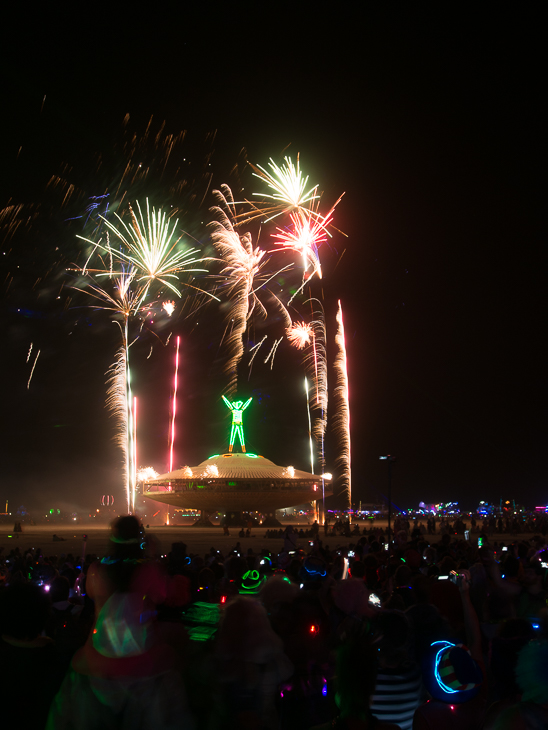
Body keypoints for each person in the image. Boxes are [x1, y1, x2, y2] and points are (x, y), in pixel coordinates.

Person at [46, 516, 194, 730]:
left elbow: (90, 595)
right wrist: (151, 557)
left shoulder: (97, 570)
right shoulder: (150, 570)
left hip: (98, 654)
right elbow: (163, 596)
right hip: (143, 656)